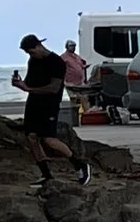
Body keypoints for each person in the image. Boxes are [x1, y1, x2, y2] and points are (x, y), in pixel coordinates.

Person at [14, 34, 89, 186]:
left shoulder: (56, 62)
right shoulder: (33, 61)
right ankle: (46, 175)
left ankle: (79, 164)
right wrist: (20, 84)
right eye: (28, 53)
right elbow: (29, 83)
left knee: (48, 139)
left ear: (38, 46)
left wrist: (29, 88)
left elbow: (54, 88)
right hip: (33, 102)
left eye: (31, 51)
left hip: (49, 104)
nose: (30, 55)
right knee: (31, 137)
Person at [60, 40, 89, 116]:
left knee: (85, 97)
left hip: (80, 82)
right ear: (67, 47)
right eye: (71, 46)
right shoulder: (63, 57)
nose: (73, 48)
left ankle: (87, 114)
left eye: (74, 46)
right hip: (70, 82)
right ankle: (74, 115)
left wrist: (84, 67)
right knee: (74, 99)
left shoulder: (77, 57)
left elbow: (80, 66)